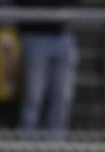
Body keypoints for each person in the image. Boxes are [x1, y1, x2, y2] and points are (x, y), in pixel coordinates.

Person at [14, 0, 79, 133]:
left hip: (63, 35)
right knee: (33, 95)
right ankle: (26, 142)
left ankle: (55, 144)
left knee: (62, 95)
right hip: (35, 35)